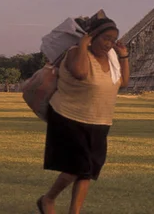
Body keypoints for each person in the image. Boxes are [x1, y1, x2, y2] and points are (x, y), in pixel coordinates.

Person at [36, 17, 130, 214]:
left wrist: (123, 56)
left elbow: (123, 83)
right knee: (76, 166)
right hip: (69, 117)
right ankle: (48, 199)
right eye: (105, 38)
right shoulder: (75, 54)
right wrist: (82, 45)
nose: (109, 44)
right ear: (92, 36)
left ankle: (74, 212)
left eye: (113, 40)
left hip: (99, 121)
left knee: (87, 171)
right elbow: (80, 73)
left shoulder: (112, 58)